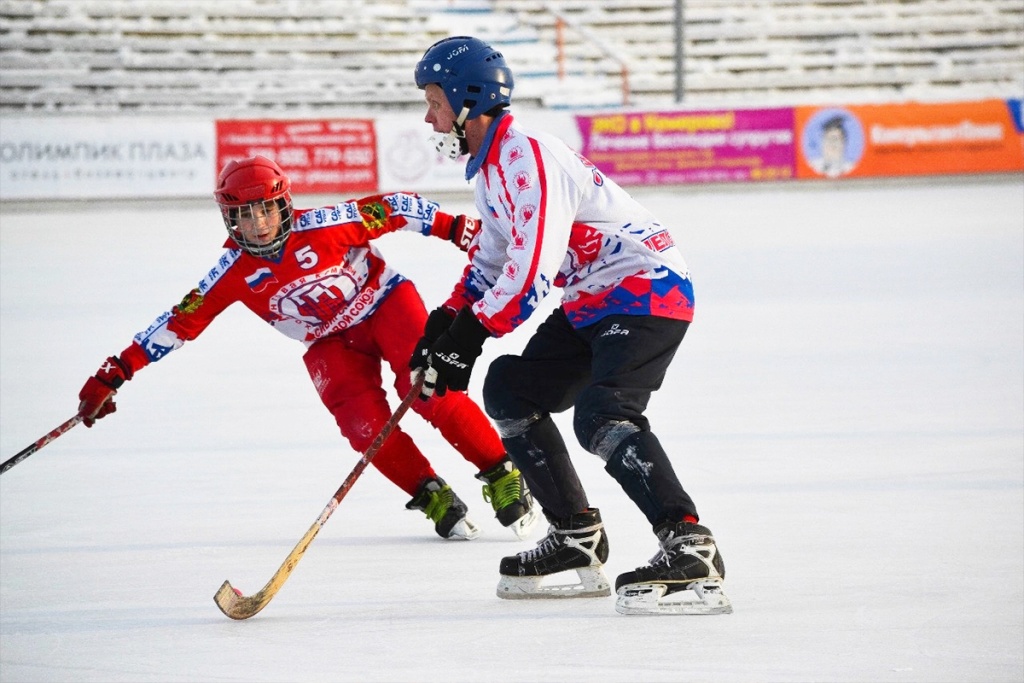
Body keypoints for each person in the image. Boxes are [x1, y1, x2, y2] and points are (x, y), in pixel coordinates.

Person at [408, 36, 731, 615]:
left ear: (466, 99)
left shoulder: (530, 155)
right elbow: (491, 260)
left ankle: (691, 546)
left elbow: (530, 273)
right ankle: (576, 538)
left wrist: (469, 338)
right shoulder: (489, 172)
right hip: (593, 297)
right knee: (511, 388)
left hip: (645, 288)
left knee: (603, 413)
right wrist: (444, 327)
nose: (428, 117)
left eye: (433, 101)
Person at [76, 155, 538, 542]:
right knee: (363, 427)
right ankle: (430, 492)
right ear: (228, 219)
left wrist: (458, 228)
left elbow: (398, 207)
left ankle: (501, 472)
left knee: (424, 387)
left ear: (284, 205)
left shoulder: (325, 224)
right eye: (244, 215)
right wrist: (114, 372)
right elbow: (179, 322)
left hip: (383, 304)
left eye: (265, 210)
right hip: (327, 341)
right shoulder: (230, 272)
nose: (257, 224)